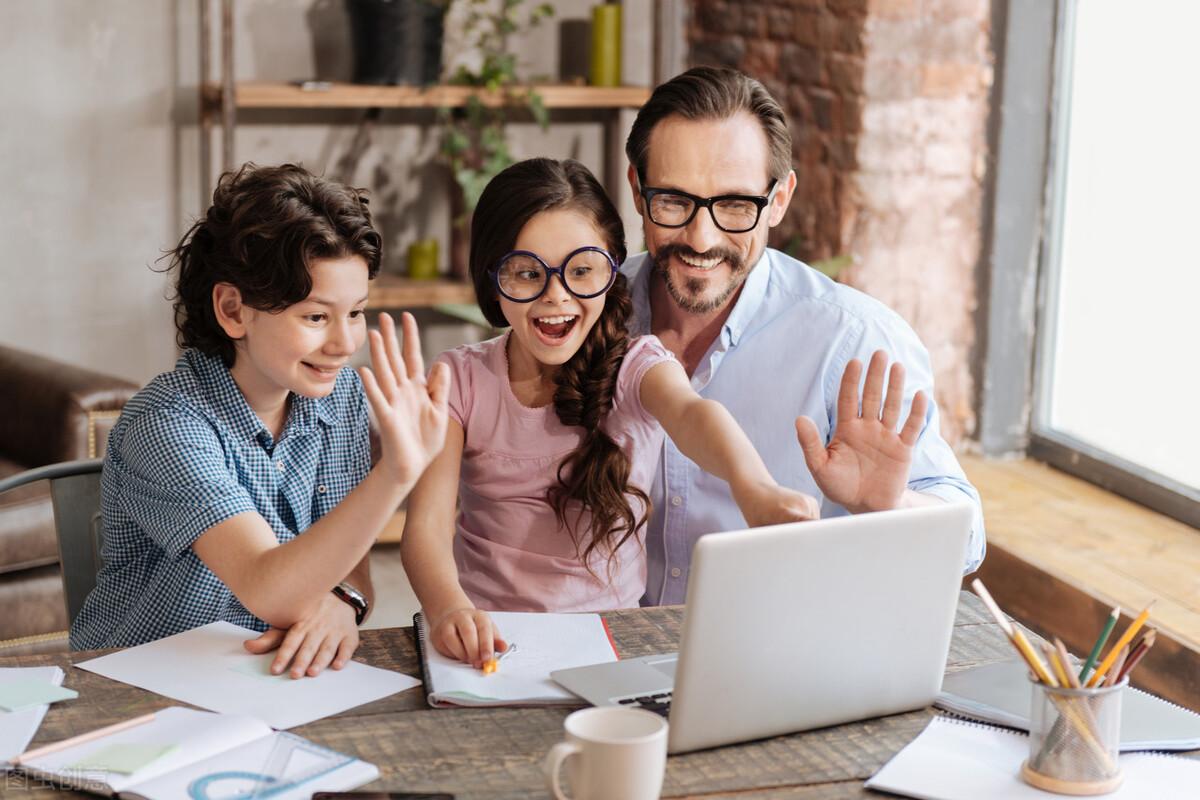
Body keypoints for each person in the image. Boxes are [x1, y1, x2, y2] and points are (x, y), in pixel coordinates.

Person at [399, 158, 818, 668]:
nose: (557, 295)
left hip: (611, 644)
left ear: (613, 267)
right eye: (527, 273)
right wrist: (447, 609)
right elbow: (425, 528)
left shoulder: (638, 367)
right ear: (492, 278)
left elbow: (692, 416)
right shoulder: (459, 379)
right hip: (488, 640)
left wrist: (755, 487)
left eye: (582, 270)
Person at [620, 66, 987, 606]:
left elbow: (967, 536)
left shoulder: (854, 340)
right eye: (674, 201)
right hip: (603, 655)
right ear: (637, 189)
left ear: (779, 199)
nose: (702, 237)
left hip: (776, 664)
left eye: (735, 206)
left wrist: (889, 510)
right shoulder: (588, 315)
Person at [70, 164, 451, 680]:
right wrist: (396, 474)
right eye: (316, 317)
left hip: (265, 676)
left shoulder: (337, 396)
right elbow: (268, 589)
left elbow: (348, 552)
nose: (344, 344)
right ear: (232, 309)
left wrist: (345, 601)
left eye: (356, 312)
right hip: (136, 682)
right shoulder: (164, 424)